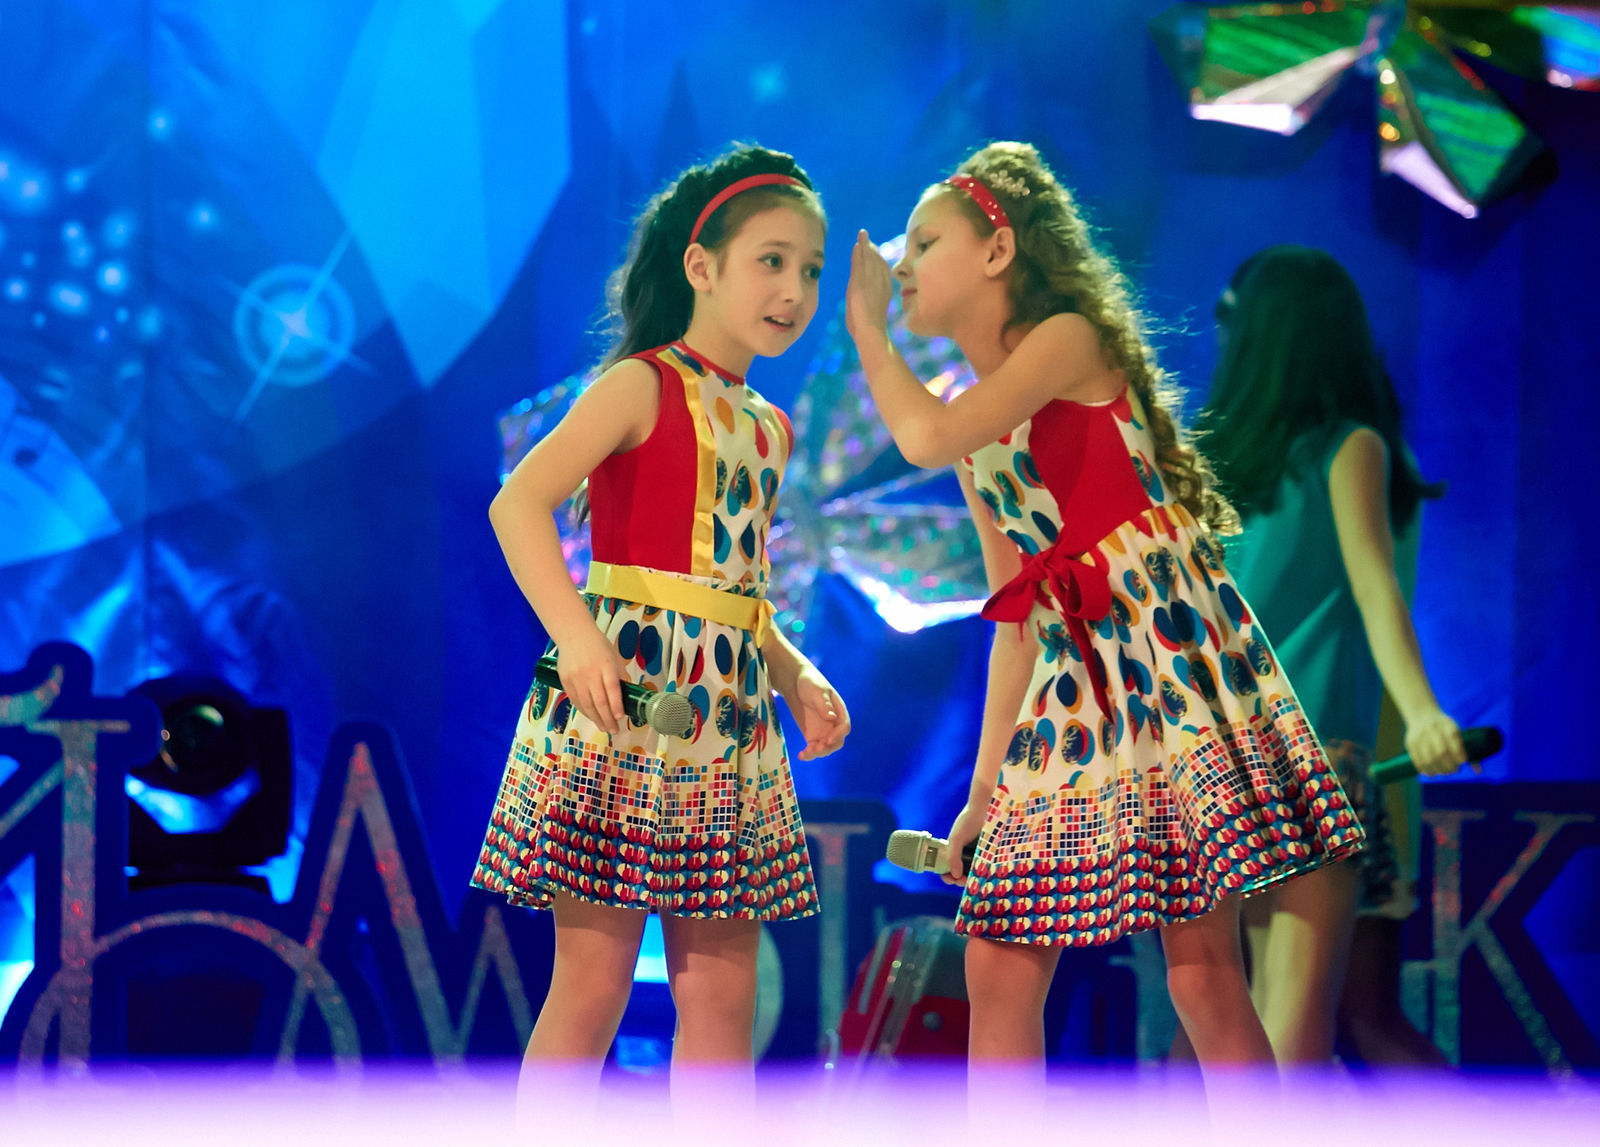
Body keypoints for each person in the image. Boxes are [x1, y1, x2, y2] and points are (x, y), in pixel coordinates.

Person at [843, 141, 1364, 1087]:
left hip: (1159, 660)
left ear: (998, 249)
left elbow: (923, 436)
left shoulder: (1067, 338)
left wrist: (869, 334)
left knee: (1202, 971)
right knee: (997, 962)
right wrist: (982, 792)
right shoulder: (974, 424)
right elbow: (1014, 617)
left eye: (924, 242)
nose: (902, 264)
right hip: (1074, 682)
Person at [471, 144, 851, 1099]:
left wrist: (793, 670)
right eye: (771, 260)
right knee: (593, 982)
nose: (794, 289)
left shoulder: (770, 425)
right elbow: (518, 505)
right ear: (700, 266)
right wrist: (577, 637)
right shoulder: (640, 384)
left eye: (811, 269)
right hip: (626, 699)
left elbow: (737, 589)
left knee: (723, 994)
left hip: (727, 716)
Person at [1197, 245, 1466, 1065]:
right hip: (1313, 750)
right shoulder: (1351, 448)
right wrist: (1422, 712)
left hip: (1214, 757)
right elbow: (1377, 590)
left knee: (1229, 1018)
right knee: (1295, 1016)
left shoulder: (1212, 465)